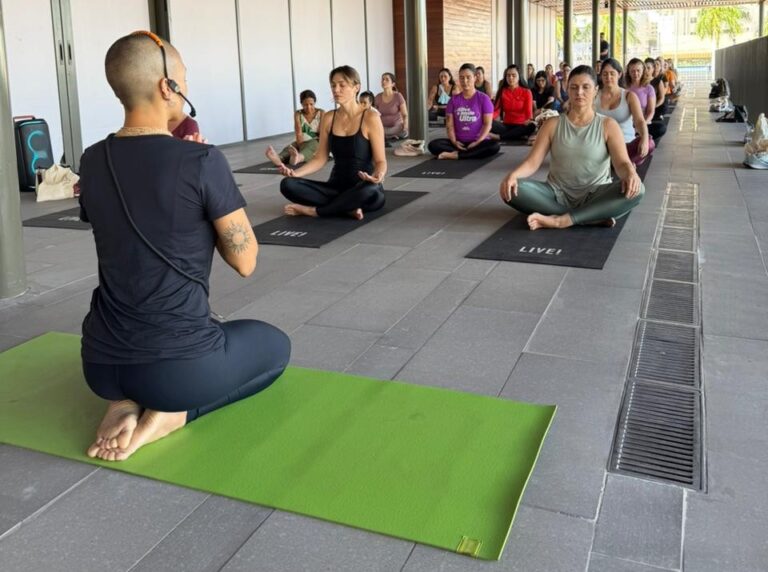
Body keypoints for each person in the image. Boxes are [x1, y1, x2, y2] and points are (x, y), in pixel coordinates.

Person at [79, 31, 290, 462]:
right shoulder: (202, 160)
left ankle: (121, 404)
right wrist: (207, 187)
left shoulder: (91, 159)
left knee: (136, 371)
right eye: (184, 79)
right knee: (276, 348)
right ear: (166, 87)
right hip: (177, 370)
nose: (186, 88)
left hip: (100, 364)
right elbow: (246, 261)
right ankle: (175, 416)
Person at [499, 65, 644, 230]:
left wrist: (631, 174)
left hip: (596, 194)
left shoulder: (608, 125)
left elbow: (621, 164)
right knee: (511, 189)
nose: (579, 92)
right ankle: (589, 216)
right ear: (567, 89)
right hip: (556, 194)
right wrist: (513, 175)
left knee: (638, 190)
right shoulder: (552, 124)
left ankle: (561, 220)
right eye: (574, 87)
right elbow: (533, 162)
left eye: (585, 87)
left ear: (596, 90)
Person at [278, 65, 386, 220]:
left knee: (371, 190)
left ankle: (315, 211)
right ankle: (346, 208)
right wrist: (295, 173)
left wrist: (378, 176)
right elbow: (320, 158)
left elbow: (381, 161)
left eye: (342, 85)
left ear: (356, 87)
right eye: (333, 85)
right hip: (335, 187)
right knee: (288, 184)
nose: (336, 90)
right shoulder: (329, 117)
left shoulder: (370, 117)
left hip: (362, 188)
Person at [427, 63, 500, 160]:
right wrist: (454, 141)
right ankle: (467, 153)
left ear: (474, 78)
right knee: (433, 145)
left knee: (494, 146)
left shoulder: (484, 99)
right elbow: (450, 125)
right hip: (459, 142)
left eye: (468, 77)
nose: (465, 81)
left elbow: (487, 124)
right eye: (461, 78)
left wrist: (477, 142)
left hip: (478, 142)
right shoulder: (453, 100)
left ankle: (456, 155)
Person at [596, 58, 653, 166]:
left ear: (620, 74)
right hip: (601, 144)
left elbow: (639, 121)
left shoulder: (629, 96)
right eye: (605, 74)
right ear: (601, 75)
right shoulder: (594, 95)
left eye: (612, 74)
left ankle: (624, 162)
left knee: (650, 143)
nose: (608, 77)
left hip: (625, 144)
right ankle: (620, 164)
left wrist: (644, 139)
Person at [266, 89, 324, 166]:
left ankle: (298, 158)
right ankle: (279, 158)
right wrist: (300, 146)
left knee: (311, 146)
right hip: (302, 141)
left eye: (311, 104)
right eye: (305, 105)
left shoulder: (321, 112)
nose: (309, 107)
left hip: (317, 142)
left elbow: (322, 133)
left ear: (315, 103)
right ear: (301, 104)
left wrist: (305, 147)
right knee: (291, 147)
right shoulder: (298, 114)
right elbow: (298, 133)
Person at [490, 64, 535, 142]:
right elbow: (497, 111)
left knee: (531, 126)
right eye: (508, 76)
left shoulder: (527, 92)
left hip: (521, 125)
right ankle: (516, 136)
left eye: (513, 75)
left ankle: (500, 137)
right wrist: (488, 119)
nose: (510, 78)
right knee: (488, 122)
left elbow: (528, 114)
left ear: (519, 77)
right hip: (506, 125)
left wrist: (528, 120)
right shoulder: (503, 91)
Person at [626, 58, 666, 142]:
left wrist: (642, 125)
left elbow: (651, 111)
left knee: (661, 128)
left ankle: (641, 137)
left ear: (643, 71)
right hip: (627, 123)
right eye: (632, 71)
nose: (635, 73)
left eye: (638, 70)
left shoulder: (649, 88)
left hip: (643, 122)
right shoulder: (624, 87)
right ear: (628, 72)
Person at [374, 72, 408, 141]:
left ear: (393, 84)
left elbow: (405, 115)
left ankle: (387, 136)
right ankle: (389, 136)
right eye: (383, 79)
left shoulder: (398, 96)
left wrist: (406, 126)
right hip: (383, 127)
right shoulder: (378, 97)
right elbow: (374, 114)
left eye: (387, 79)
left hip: (397, 127)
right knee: (375, 130)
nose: (384, 81)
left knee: (402, 130)